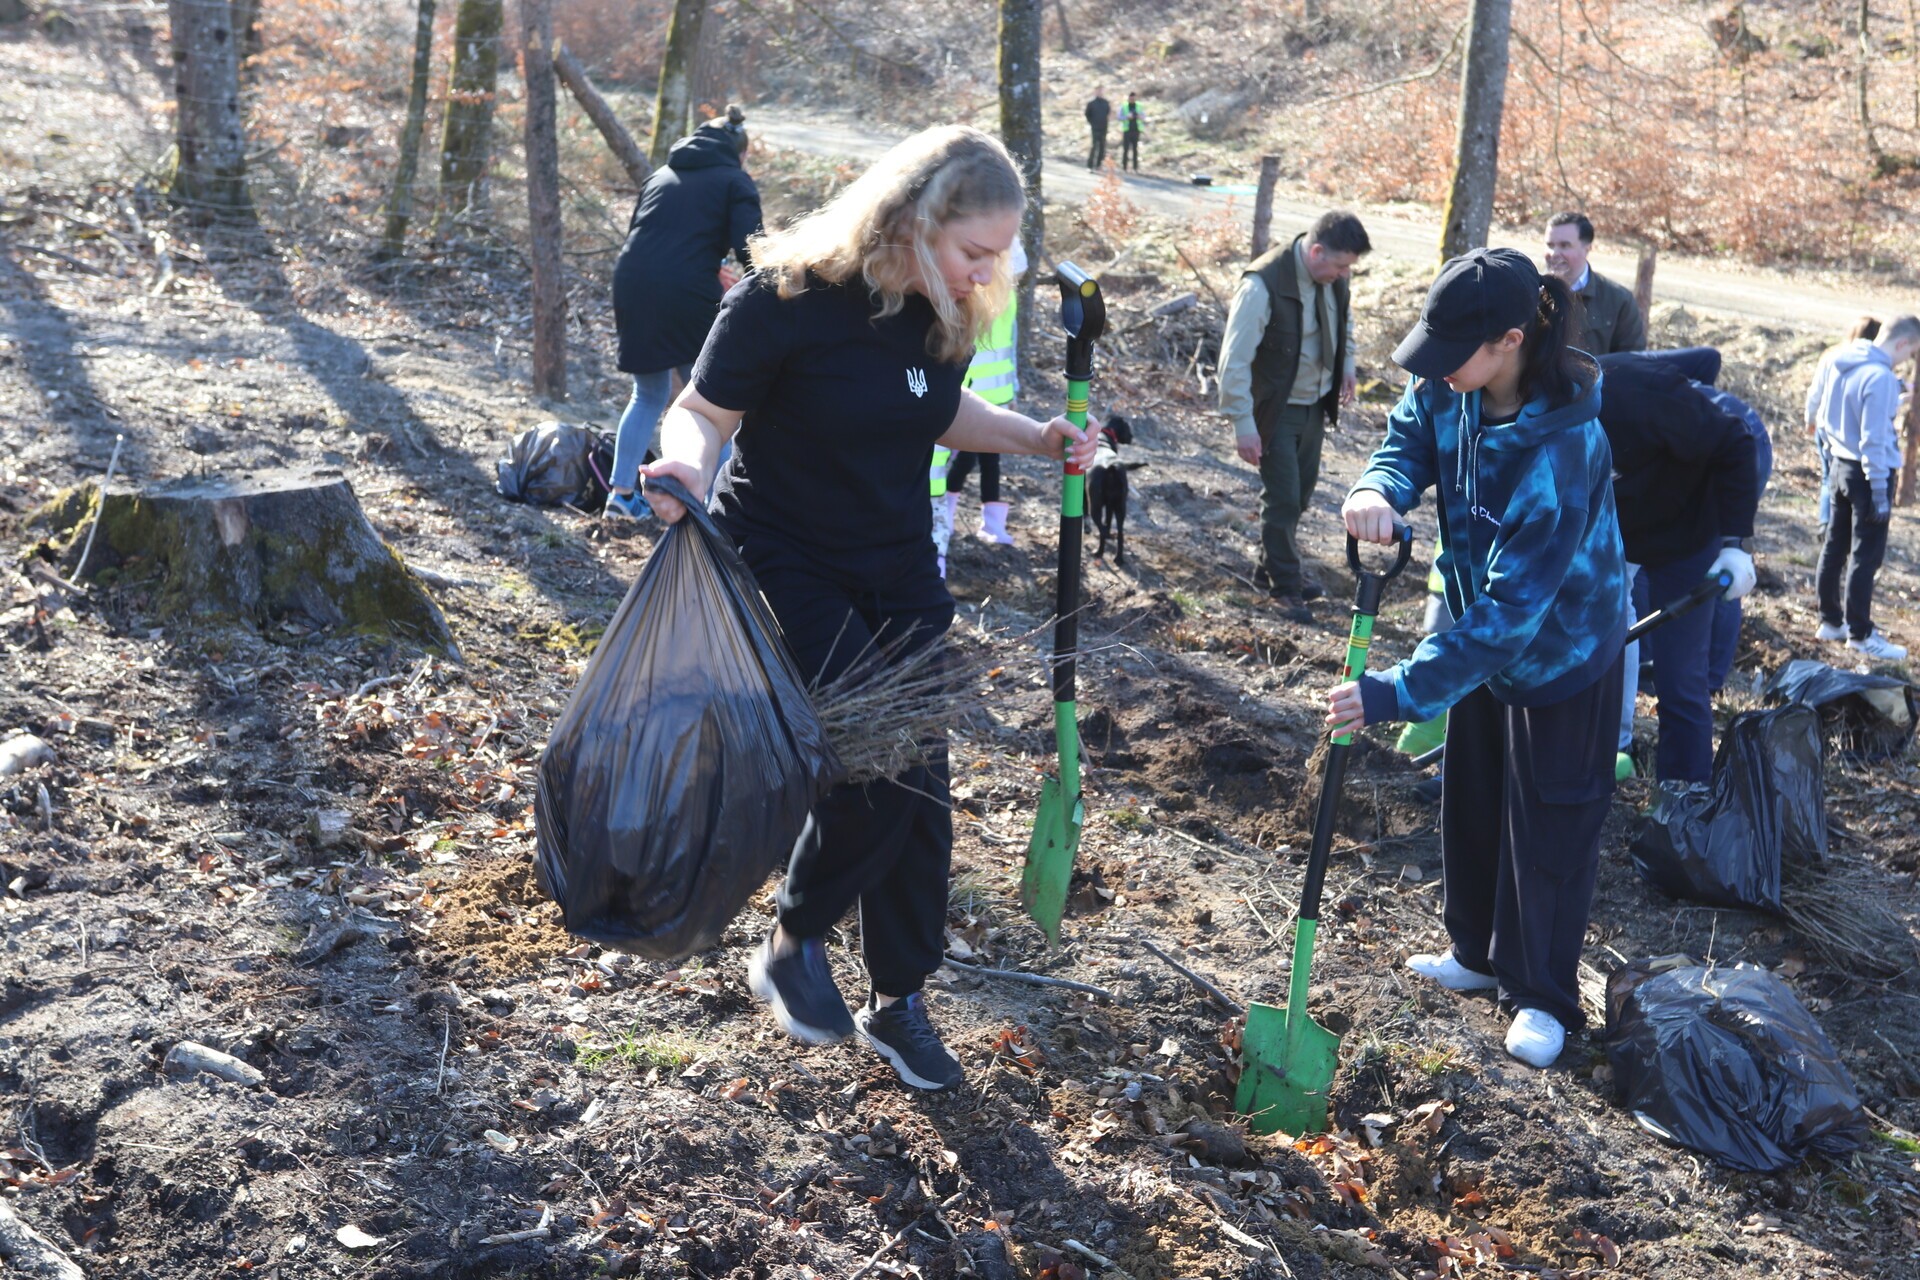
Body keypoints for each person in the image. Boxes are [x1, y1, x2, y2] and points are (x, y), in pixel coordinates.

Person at [637, 125, 1097, 1091]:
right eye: (974, 251)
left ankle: (899, 1000)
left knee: (921, 793)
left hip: (897, 565)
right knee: (878, 763)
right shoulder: (785, 298)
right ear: (912, 220)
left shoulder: (940, 310)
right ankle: (794, 937)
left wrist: (1035, 437)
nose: (987, 275)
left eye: (998, 257)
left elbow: (936, 411)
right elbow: (704, 411)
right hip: (788, 558)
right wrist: (684, 466)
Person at [1328, 247, 1630, 1070]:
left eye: (1450, 352)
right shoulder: (1449, 384)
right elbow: (1407, 439)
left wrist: (1396, 692)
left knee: (1550, 822)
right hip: (1478, 635)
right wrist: (1378, 488)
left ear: (1509, 342)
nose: (1432, 368)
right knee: (1475, 791)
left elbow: (1513, 615)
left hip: (1562, 649)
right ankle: (1476, 951)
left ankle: (1542, 996)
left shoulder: (1563, 448)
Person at [1597, 348, 1760, 782]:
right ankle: (1597, 759)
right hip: (1611, 536)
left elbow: (1735, 443)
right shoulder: (1538, 421)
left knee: (1680, 676)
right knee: (1595, 648)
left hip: (1687, 532)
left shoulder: (1636, 393)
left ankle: (1683, 795)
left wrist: (1735, 545)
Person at [1217, 210, 1371, 621]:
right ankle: (1285, 587)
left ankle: (1270, 564)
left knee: (1300, 494)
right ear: (1316, 252)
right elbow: (1234, 361)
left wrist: (1347, 364)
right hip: (1275, 411)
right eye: (1340, 266)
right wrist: (1243, 424)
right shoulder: (1261, 285)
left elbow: (1345, 321)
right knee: (1283, 499)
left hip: (1314, 406)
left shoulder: (1333, 278)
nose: (1344, 275)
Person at [607, 112, 763, 518]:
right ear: (740, 153)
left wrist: (710, 265)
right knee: (713, 402)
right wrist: (770, 294)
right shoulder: (735, 181)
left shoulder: (660, 176)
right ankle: (717, 510)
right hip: (686, 292)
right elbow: (753, 250)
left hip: (632, 281)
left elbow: (654, 236)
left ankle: (621, 496)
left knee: (648, 393)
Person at [1809, 314, 1920, 660]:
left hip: (1840, 465)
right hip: (1869, 474)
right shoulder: (1880, 376)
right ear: (1903, 343)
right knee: (1865, 555)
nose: (1908, 360)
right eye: (1911, 353)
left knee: (1834, 546)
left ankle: (1830, 620)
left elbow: (1827, 417)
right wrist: (1879, 490)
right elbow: (1873, 439)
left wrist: (1833, 455)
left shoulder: (1840, 360)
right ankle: (1860, 633)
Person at [945, 238, 1026, 547]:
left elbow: (1010, 346)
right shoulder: (970, 295)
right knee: (968, 459)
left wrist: (1012, 389)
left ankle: (990, 522)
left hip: (996, 394)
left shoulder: (1010, 300)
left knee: (986, 460)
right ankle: (949, 511)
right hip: (971, 395)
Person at [1542, 212, 1646, 357]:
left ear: (1587, 248)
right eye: (1550, 245)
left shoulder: (1618, 300)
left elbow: (1631, 361)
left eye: (1564, 245)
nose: (1554, 253)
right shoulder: (1531, 291)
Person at [1813, 317, 1881, 529]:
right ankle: (1835, 525)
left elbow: (1815, 391)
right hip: (1849, 431)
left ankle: (1826, 522)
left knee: (1829, 477)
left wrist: (1810, 417)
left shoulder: (1832, 355)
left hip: (1824, 424)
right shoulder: (1869, 363)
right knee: (1837, 478)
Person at [1085, 89, 1111, 170]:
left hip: (1104, 127)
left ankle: (1098, 165)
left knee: (1102, 146)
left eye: (1101, 91)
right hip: (1095, 127)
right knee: (1094, 146)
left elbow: (1108, 113)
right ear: (1095, 92)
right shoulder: (1091, 103)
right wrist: (1092, 123)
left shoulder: (1105, 103)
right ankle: (1090, 165)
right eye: (1098, 91)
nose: (1100, 93)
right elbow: (1087, 114)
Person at [1119, 94, 1144, 171]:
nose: (1132, 100)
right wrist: (1127, 117)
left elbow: (1143, 116)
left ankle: (1135, 167)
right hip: (1127, 130)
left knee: (1135, 149)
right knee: (1125, 149)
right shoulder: (1124, 106)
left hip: (1136, 130)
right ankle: (1124, 166)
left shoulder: (1139, 106)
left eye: (1133, 98)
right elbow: (1119, 117)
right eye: (1131, 98)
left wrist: (1139, 116)